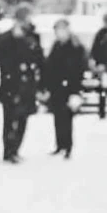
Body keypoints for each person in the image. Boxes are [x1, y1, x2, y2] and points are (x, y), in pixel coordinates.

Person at [0, 5, 44, 163]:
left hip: (27, 85)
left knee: (22, 119)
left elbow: (39, 59)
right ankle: (8, 150)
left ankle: (15, 148)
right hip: (10, 84)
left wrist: (41, 83)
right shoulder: (5, 38)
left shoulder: (33, 37)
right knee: (9, 118)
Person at [41, 18, 88, 158]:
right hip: (56, 87)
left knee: (67, 117)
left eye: (62, 30)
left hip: (69, 87)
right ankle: (59, 144)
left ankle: (68, 146)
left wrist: (76, 89)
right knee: (57, 117)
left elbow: (79, 69)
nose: (60, 33)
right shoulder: (56, 46)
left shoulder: (76, 47)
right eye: (57, 30)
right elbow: (49, 66)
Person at [89, 12, 107, 120]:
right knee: (103, 90)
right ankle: (102, 111)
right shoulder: (100, 34)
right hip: (102, 65)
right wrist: (96, 63)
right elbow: (95, 50)